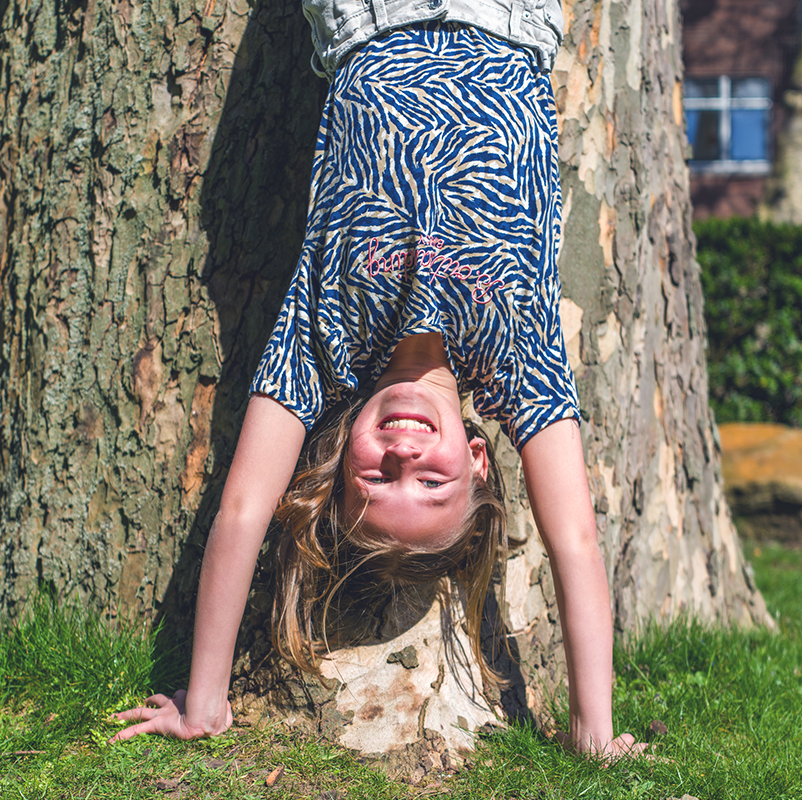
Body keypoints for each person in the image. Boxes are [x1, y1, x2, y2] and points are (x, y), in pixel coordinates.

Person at [113, 6, 644, 759]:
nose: (403, 464)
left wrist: (206, 699)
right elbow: (578, 540)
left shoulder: (318, 349)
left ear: (339, 463)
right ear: (477, 457)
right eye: (431, 488)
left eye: (375, 484)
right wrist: (593, 729)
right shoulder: (519, 368)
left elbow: (240, 512)